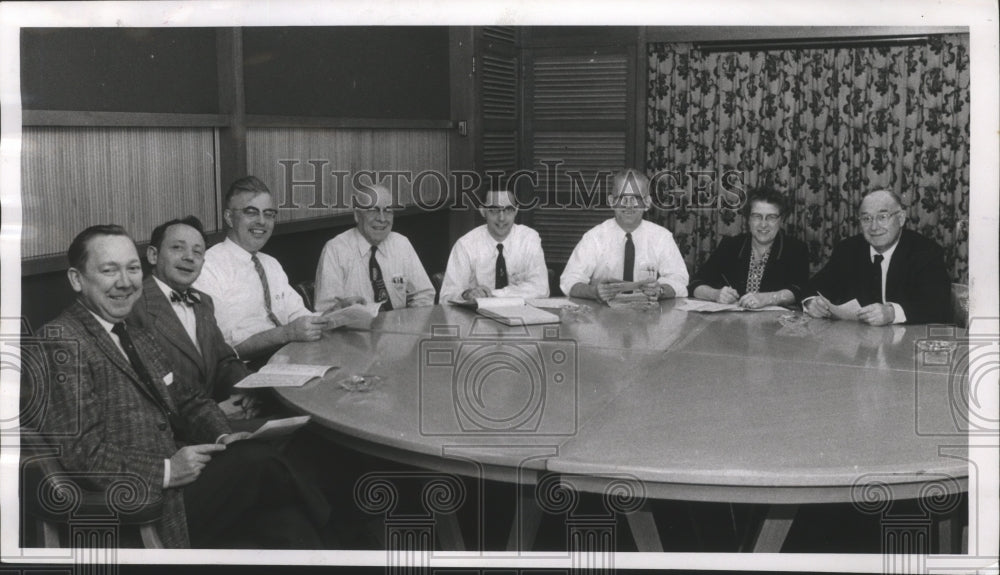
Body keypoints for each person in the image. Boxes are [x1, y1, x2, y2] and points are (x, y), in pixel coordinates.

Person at [31, 225, 328, 548]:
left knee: (283, 519)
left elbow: (187, 400)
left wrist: (224, 435)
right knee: (261, 462)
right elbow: (82, 455)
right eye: (108, 270)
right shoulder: (59, 341)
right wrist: (168, 470)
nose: (125, 282)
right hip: (145, 504)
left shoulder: (131, 328)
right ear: (77, 279)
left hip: (184, 474)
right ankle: (343, 534)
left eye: (132, 269)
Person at [127, 216, 258, 421]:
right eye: (178, 248)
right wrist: (214, 413)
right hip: (176, 434)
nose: (189, 257)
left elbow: (224, 361)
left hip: (221, 418)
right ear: (153, 255)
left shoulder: (203, 302)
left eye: (197, 252)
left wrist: (246, 391)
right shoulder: (132, 307)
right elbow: (144, 392)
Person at [194, 176, 327, 362]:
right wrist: (286, 333)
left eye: (269, 214)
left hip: (291, 359)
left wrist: (335, 315)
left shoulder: (271, 264)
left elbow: (298, 315)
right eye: (251, 212)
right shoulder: (208, 268)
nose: (262, 222)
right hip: (244, 372)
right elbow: (225, 351)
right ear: (229, 218)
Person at [803, 189, 951, 325]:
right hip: (856, 344)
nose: (874, 227)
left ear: (900, 218)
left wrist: (892, 313)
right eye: (866, 219)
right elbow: (813, 286)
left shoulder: (926, 252)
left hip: (905, 345)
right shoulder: (848, 249)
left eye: (882, 217)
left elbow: (937, 306)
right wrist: (811, 303)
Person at [560, 169, 688, 302]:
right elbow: (569, 280)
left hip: (648, 316)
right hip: (603, 316)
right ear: (611, 201)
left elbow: (679, 279)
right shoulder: (594, 237)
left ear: (647, 203)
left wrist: (660, 290)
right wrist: (593, 292)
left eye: (636, 198)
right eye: (622, 198)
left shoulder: (662, 237)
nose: (629, 205)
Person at [313, 184, 435, 313]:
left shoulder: (401, 243)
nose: (382, 219)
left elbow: (424, 295)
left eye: (388, 211)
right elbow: (325, 312)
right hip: (356, 331)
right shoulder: (336, 249)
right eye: (373, 210)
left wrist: (407, 323)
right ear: (357, 215)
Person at [689, 187, 810, 308]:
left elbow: (800, 290)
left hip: (775, 324)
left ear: (781, 220)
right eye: (757, 216)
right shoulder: (730, 246)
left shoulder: (796, 249)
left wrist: (769, 298)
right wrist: (715, 294)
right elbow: (695, 283)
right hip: (732, 323)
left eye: (771, 217)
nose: (763, 224)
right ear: (748, 219)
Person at [439, 189, 549, 303]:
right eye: (494, 210)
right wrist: (466, 294)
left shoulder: (529, 239)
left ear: (516, 211)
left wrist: (492, 295)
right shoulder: (465, 245)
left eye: (508, 210)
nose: (502, 218)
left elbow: (541, 289)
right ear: (482, 211)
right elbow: (446, 297)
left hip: (522, 316)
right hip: (476, 317)